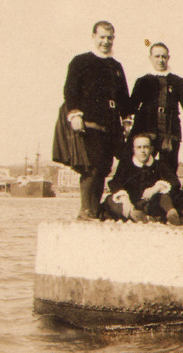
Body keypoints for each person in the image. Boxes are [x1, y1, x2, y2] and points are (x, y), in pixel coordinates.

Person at [52, 21, 131, 220]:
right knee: (91, 166)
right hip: (88, 124)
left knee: (104, 167)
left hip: (111, 125)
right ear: (94, 37)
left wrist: (126, 120)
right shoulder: (81, 61)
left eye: (109, 38)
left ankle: (94, 211)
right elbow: (70, 90)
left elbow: (123, 97)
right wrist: (75, 115)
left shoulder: (116, 66)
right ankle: (85, 210)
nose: (106, 42)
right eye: (102, 37)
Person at [129, 43, 183, 172]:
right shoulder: (143, 81)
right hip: (147, 131)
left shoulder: (178, 82)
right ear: (150, 58)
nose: (160, 60)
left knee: (169, 168)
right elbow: (132, 107)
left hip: (170, 133)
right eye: (157, 56)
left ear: (168, 58)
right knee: (143, 167)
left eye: (164, 57)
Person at [104, 133, 183, 225]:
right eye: (139, 147)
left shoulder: (158, 165)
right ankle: (133, 215)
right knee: (110, 199)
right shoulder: (126, 165)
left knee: (164, 197)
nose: (142, 151)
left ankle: (171, 213)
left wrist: (156, 188)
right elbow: (114, 182)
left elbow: (174, 182)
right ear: (134, 150)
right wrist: (124, 198)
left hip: (151, 204)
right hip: (131, 203)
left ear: (151, 149)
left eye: (145, 147)